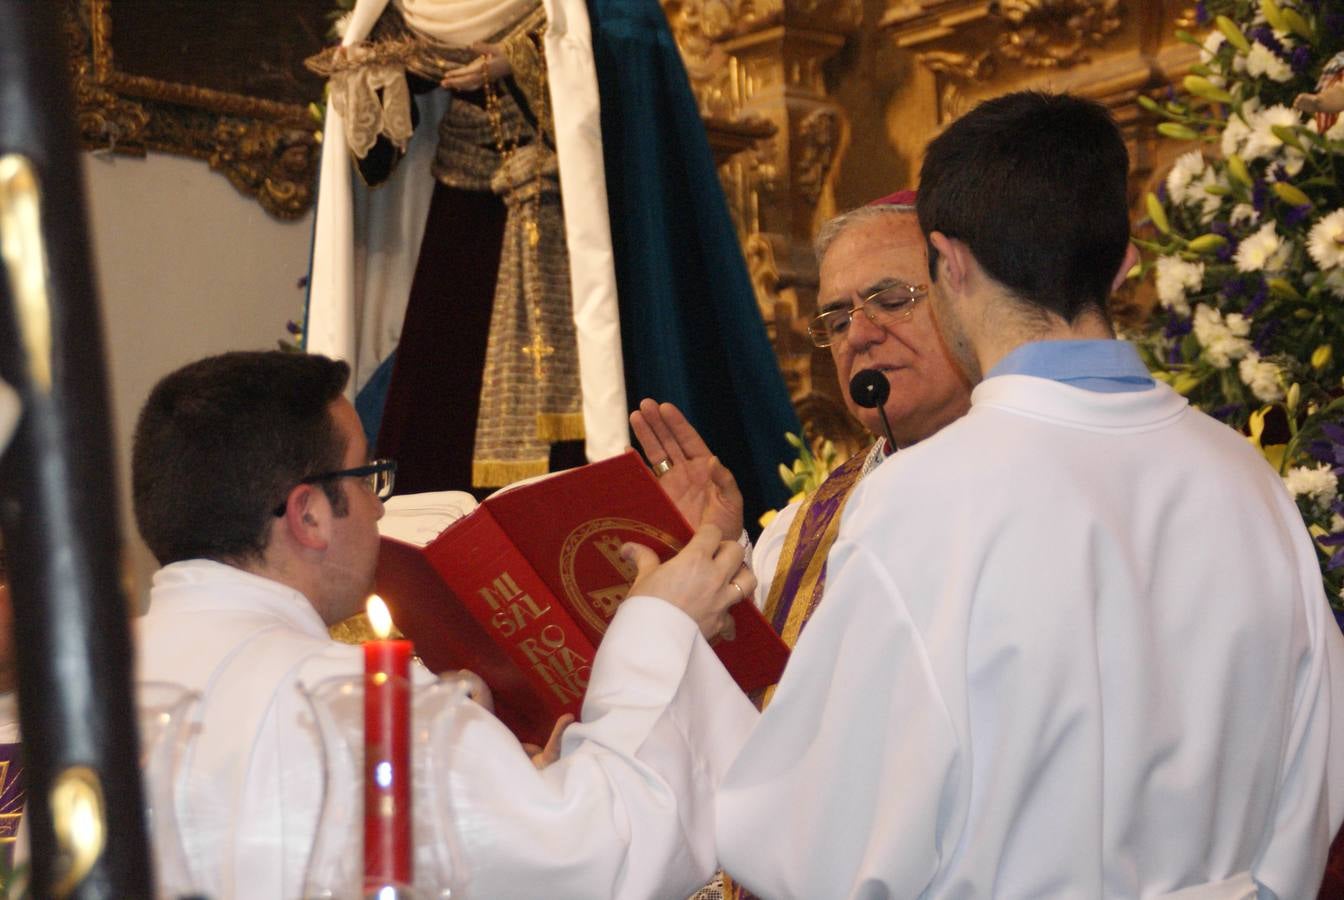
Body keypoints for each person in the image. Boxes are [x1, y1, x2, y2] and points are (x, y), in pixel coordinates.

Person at [615, 91, 1344, 897]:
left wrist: (662, 642)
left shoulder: (924, 503)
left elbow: (809, 846)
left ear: (948, 263)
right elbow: (1316, 783)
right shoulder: (1250, 486)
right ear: (1124, 264)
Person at [131, 350, 753, 899]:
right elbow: (597, 861)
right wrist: (660, 626)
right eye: (367, 475)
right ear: (310, 516)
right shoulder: (361, 709)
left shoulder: (78, 692)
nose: (379, 505)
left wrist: (515, 783)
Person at [632, 192, 970, 656]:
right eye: (835, 322)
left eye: (891, 301)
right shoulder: (797, 534)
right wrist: (711, 555)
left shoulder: (1037, 479)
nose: (859, 334)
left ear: (969, 303)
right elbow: (764, 704)